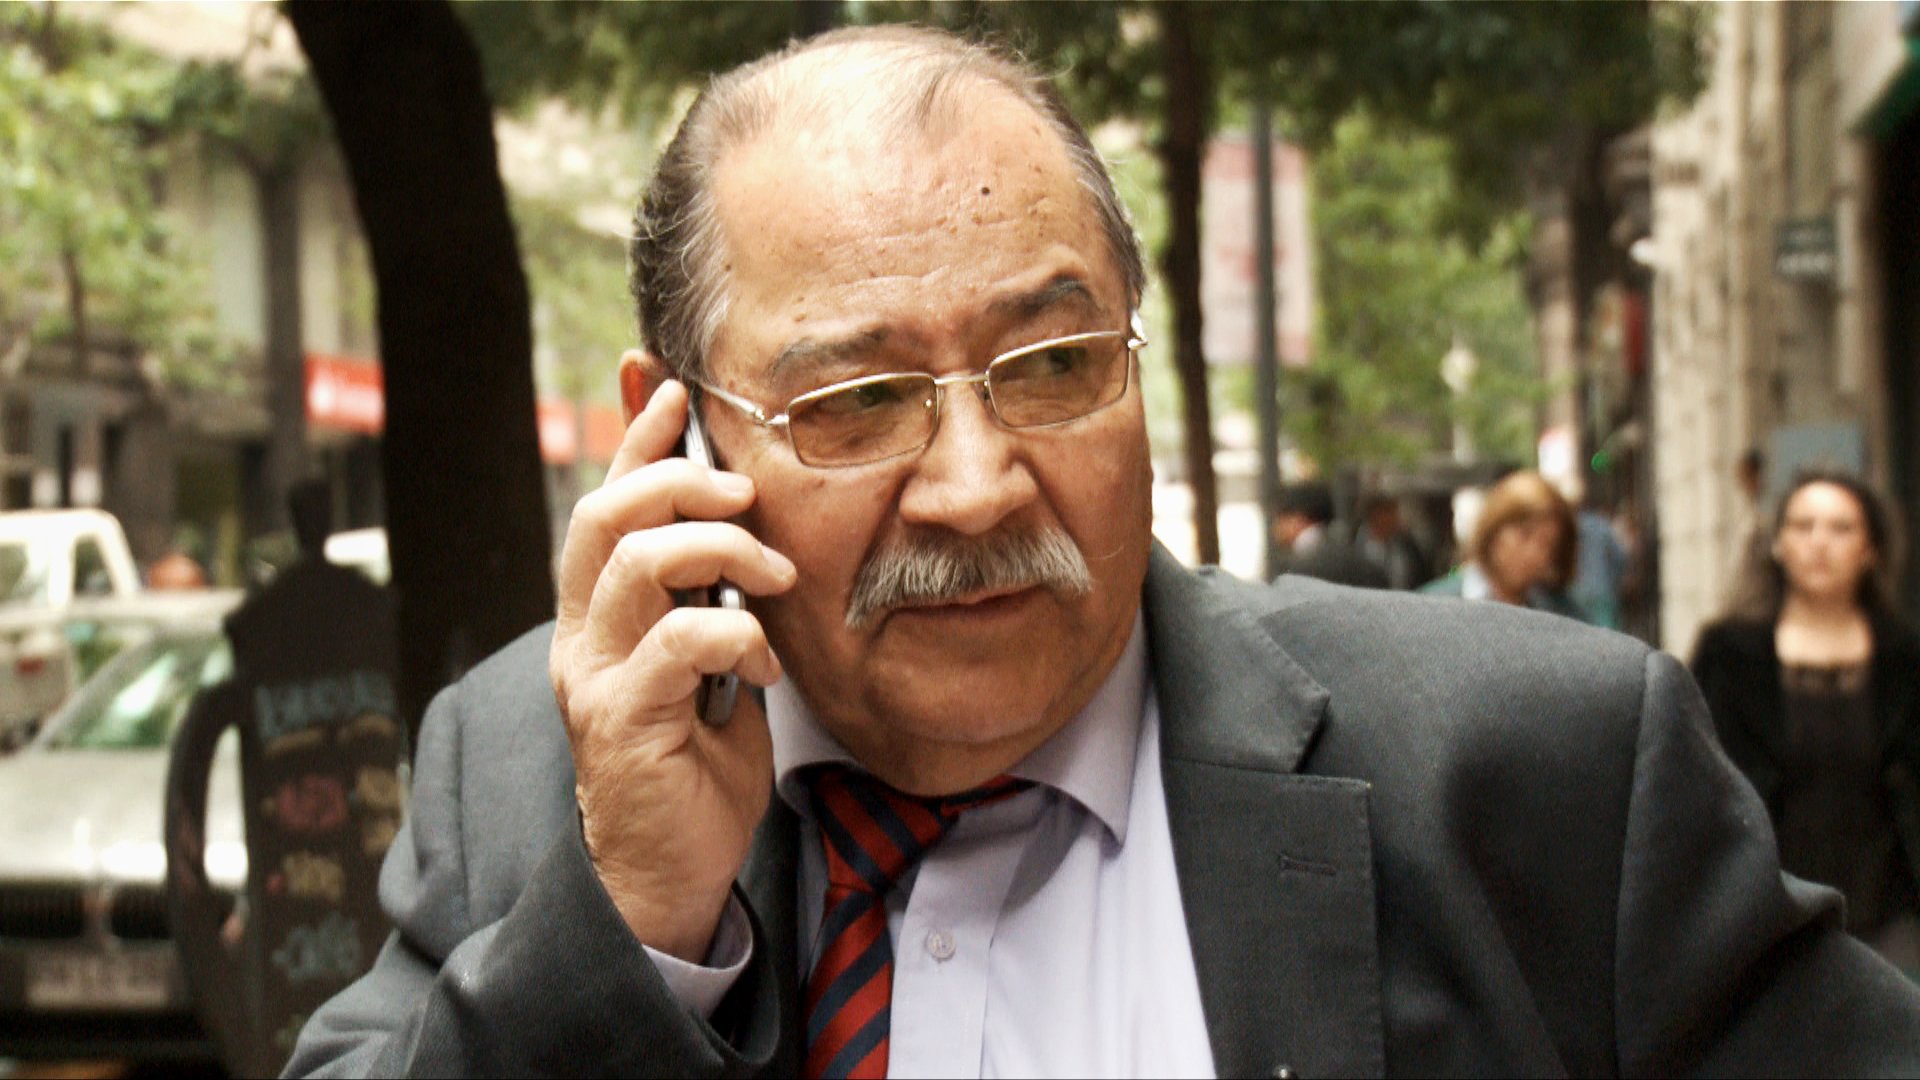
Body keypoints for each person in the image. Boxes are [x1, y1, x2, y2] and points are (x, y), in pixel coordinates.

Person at [286, 27, 1920, 1078]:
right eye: (857, 401)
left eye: (1055, 363)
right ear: (678, 432)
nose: (977, 485)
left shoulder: (1543, 772)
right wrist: (633, 925)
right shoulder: (531, 781)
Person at [1691, 471, 1920, 972]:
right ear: (1777, 543)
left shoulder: (1904, 659)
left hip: (1891, 914)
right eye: (1803, 525)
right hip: (1768, 914)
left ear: (1871, 549)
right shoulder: (1730, 656)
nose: (1820, 543)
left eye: (1841, 528)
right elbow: (1699, 785)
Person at [1420, 469, 1585, 620]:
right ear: (1494, 530)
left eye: (1546, 544)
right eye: (1524, 534)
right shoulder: (1432, 607)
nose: (1533, 552)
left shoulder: (1561, 614)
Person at [1271, 482, 1387, 588]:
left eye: (1281, 517)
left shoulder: (1294, 569)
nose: (1276, 526)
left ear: (1298, 518)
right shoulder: (1359, 559)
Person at [1353, 494, 1429, 591]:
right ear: (1377, 515)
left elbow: (1420, 576)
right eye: (1391, 513)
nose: (1397, 518)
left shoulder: (1407, 545)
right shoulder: (1356, 546)